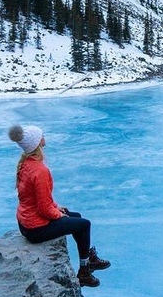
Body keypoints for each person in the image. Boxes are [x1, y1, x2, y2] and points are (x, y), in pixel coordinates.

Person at [9, 123, 110, 288]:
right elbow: (44, 209)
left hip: (25, 223)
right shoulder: (40, 170)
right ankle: (84, 272)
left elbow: (36, 198)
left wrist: (57, 207)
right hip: (35, 230)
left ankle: (89, 260)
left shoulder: (25, 163)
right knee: (84, 225)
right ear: (37, 143)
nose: (44, 138)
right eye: (41, 136)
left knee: (75, 216)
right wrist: (57, 214)